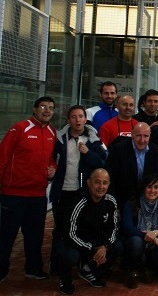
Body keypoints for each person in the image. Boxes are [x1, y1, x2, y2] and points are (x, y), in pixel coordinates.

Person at [0, 96, 57, 282]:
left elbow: (51, 160)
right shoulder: (19, 128)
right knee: (6, 236)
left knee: (35, 235)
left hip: (38, 195)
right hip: (13, 194)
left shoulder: (51, 132)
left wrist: (52, 169)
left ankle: (33, 268)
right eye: (43, 107)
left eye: (50, 108)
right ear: (34, 109)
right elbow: (3, 156)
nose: (47, 110)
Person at [50, 105, 108, 273]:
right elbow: (52, 160)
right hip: (62, 191)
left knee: (81, 229)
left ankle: (83, 263)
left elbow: (103, 161)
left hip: (82, 192)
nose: (77, 120)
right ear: (69, 120)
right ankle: (57, 264)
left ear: (85, 119)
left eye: (80, 116)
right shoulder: (59, 139)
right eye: (73, 117)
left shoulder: (93, 139)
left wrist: (88, 153)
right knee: (60, 229)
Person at [58, 169, 122, 294]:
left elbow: (113, 228)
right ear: (88, 183)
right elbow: (69, 234)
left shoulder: (110, 201)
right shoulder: (78, 201)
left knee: (118, 246)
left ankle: (89, 271)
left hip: (96, 243)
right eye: (97, 182)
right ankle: (65, 279)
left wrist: (104, 246)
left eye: (105, 183)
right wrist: (92, 249)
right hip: (74, 243)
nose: (101, 187)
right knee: (70, 255)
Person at [121, 174, 158, 289]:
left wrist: (157, 233)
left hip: (151, 247)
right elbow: (127, 228)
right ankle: (132, 270)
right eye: (149, 187)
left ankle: (149, 268)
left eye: (156, 187)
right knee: (136, 241)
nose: (152, 190)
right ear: (143, 188)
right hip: (134, 244)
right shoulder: (131, 204)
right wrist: (153, 237)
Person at [105, 122, 158, 206]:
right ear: (132, 134)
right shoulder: (118, 150)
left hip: (146, 199)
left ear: (150, 135)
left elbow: (155, 177)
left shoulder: (156, 151)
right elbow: (111, 178)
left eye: (146, 136)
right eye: (138, 135)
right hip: (122, 198)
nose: (142, 140)